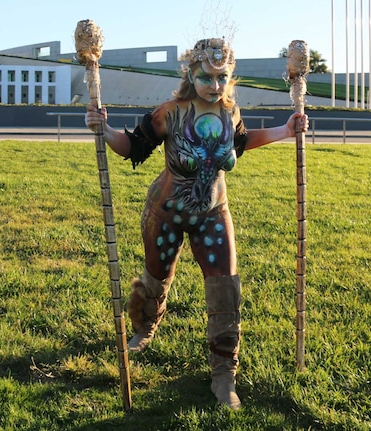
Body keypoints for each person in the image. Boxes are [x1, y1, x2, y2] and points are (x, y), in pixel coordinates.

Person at [84, 38, 308, 410]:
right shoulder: (169, 112)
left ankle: (224, 374)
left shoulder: (230, 113)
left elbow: (239, 144)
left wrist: (285, 131)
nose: (215, 85)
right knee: (156, 277)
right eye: (206, 76)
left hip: (212, 213)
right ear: (191, 72)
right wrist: (104, 131)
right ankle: (146, 325)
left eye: (222, 78)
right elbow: (134, 147)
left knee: (226, 289)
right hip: (166, 213)